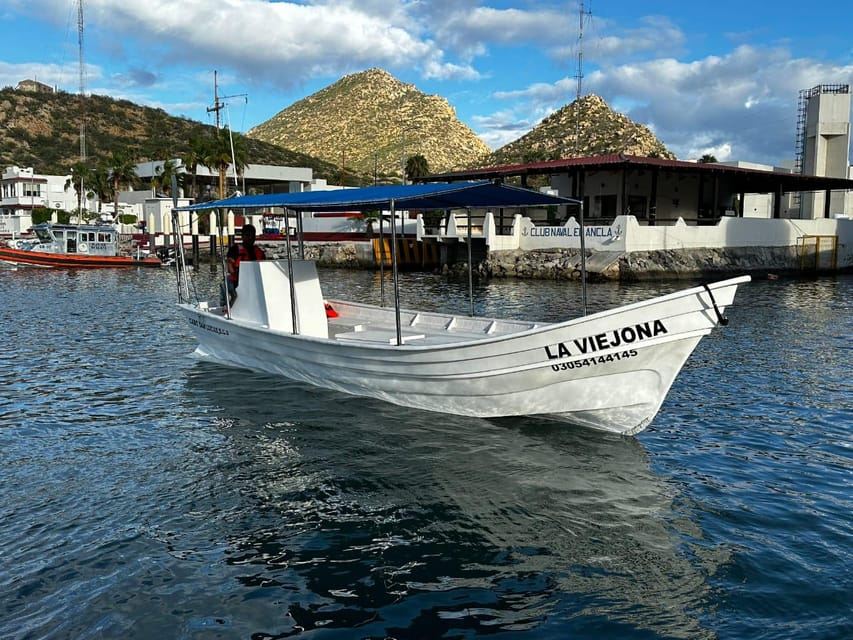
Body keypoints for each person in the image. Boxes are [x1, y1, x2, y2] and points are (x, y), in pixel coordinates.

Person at [220, 223, 266, 307]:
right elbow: (229, 265)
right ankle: (225, 306)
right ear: (242, 236)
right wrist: (237, 277)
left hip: (255, 281)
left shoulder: (259, 252)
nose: (250, 238)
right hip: (237, 280)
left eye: (252, 235)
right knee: (225, 283)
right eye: (247, 235)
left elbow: (264, 268)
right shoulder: (234, 250)